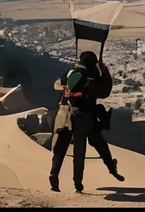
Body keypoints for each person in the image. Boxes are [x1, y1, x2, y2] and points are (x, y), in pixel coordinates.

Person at [49, 50, 124, 192]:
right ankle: (81, 181)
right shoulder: (91, 79)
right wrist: (103, 70)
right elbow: (105, 91)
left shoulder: (71, 74)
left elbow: (57, 84)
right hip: (85, 118)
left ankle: (54, 173)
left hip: (64, 115)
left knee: (61, 146)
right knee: (86, 148)